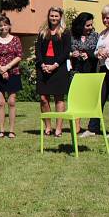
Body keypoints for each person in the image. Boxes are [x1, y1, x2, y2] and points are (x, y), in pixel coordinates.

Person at [35, 7, 71, 137]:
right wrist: (42, 64)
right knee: (43, 98)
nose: (54, 18)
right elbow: (38, 50)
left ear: (60, 17)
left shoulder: (65, 32)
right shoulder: (43, 31)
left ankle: (59, 128)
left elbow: (66, 51)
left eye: (56, 16)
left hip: (59, 68)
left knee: (58, 98)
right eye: (52, 16)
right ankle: (48, 127)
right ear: (48, 16)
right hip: (43, 68)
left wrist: (55, 65)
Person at [0, 15, 22, 138]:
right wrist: (0, 69)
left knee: (11, 102)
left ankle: (11, 130)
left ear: (9, 26)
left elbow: (19, 55)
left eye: (5, 24)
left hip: (13, 73)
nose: (3, 27)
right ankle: (1, 130)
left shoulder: (16, 39)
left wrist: (7, 67)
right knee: (0, 102)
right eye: (1, 25)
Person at [69, 12, 99, 138]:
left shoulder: (96, 36)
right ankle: (76, 126)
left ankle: (93, 126)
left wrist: (89, 54)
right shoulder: (72, 36)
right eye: (87, 25)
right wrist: (72, 54)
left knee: (92, 100)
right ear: (81, 25)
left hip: (91, 71)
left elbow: (98, 51)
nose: (90, 27)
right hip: (76, 71)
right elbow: (66, 51)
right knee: (76, 99)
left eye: (91, 25)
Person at [88, 5, 109, 138]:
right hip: (102, 68)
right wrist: (99, 53)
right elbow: (96, 50)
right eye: (103, 18)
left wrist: (108, 52)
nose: (105, 20)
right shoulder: (102, 34)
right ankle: (93, 128)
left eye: (107, 18)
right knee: (99, 99)